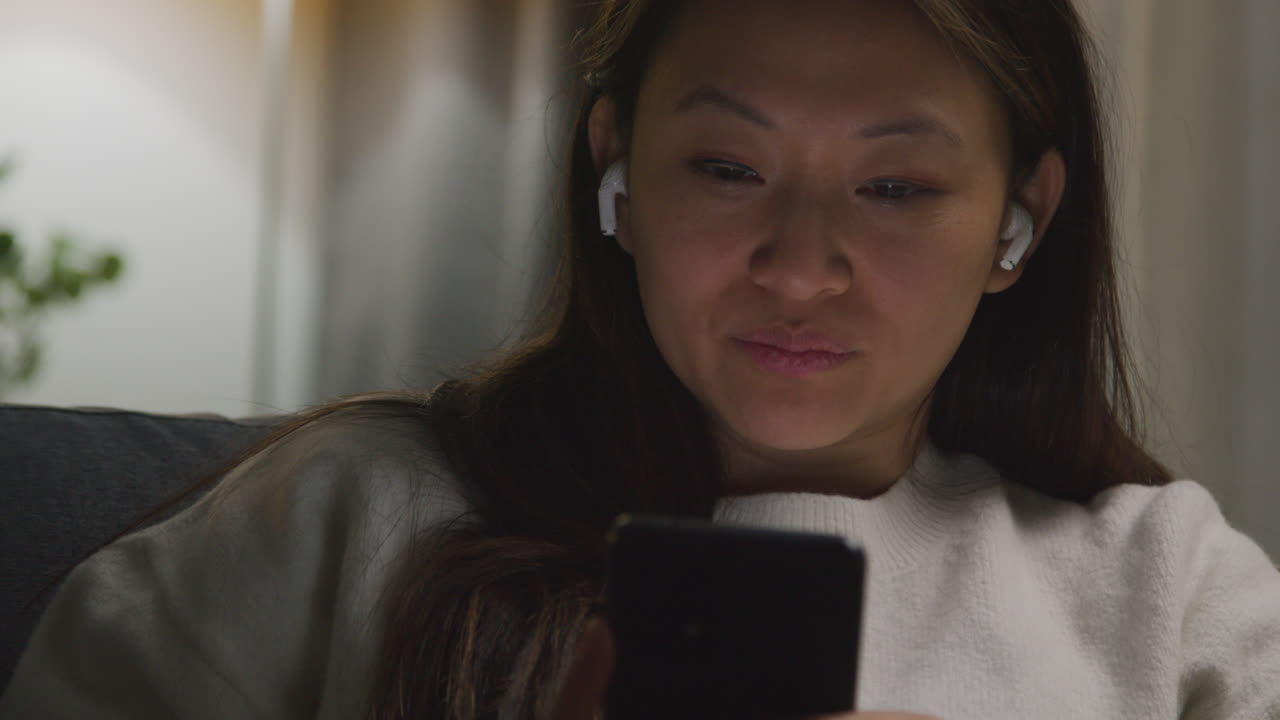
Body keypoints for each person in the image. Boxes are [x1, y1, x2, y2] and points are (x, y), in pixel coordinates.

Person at [3, 0, 1279, 718]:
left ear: (1021, 221)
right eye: (726, 169)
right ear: (614, 167)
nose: (797, 264)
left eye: (893, 187)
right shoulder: (346, 516)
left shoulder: (1163, 589)